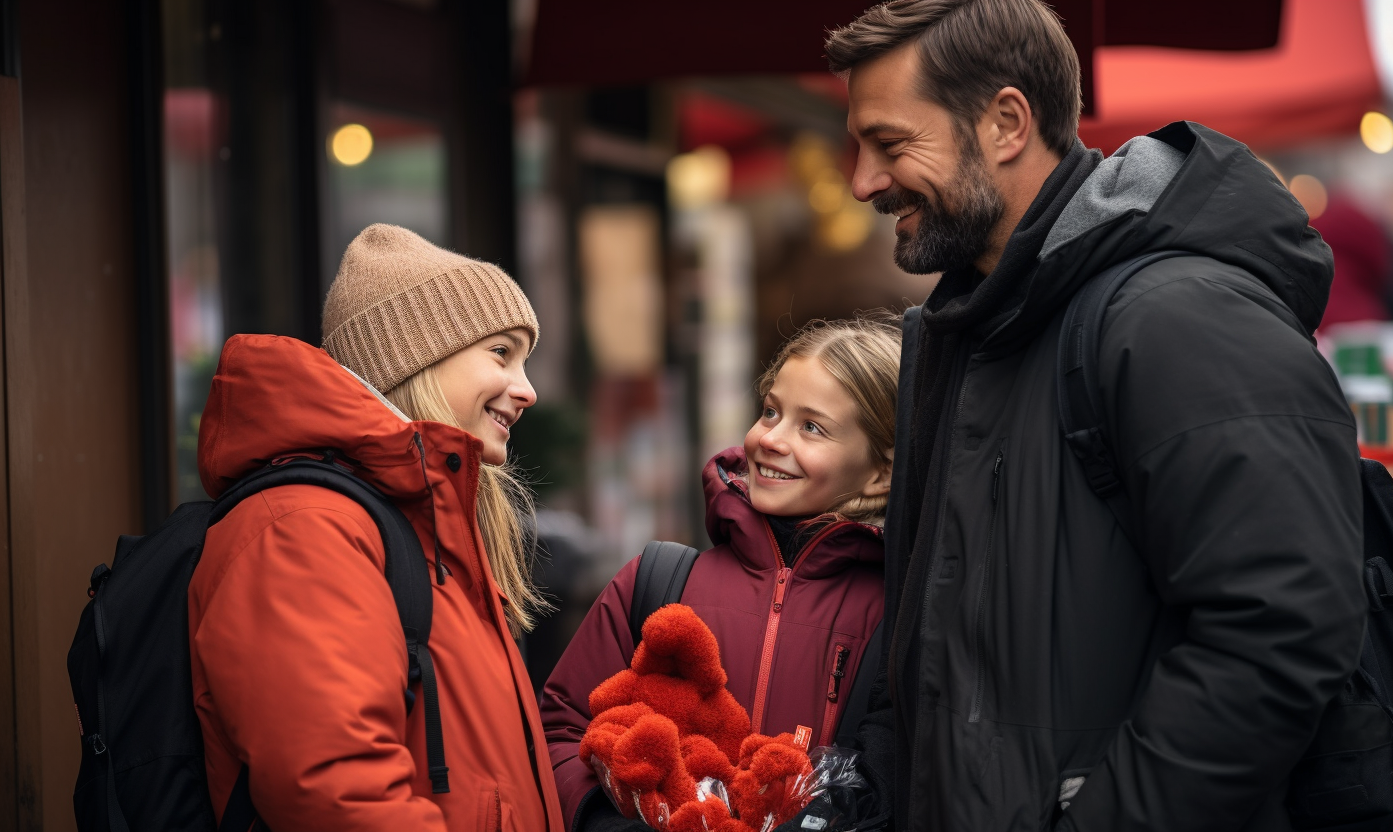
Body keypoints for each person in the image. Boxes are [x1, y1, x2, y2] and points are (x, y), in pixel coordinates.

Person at [824, 2, 1366, 830]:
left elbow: (1281, 628)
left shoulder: (1176, 317)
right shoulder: (961, 337)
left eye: (891, 144)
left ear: (1007, 123)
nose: (862, 181)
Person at [189, 224, 564, 831]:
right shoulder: (304, 529)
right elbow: (337, 795)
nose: (528, 389)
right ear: (413, 357)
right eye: (501, 352)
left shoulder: (421, 525)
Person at [540, 316, 900, 831]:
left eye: (811, 427)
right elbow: (559, 728)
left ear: (881, 473)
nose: (770, 439)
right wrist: (609, 820)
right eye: (770, 411)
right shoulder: (657, 581)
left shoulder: (897, 614)